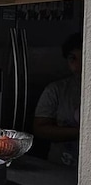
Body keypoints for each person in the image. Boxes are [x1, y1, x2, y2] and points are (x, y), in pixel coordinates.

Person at [33, 33, 82, 165]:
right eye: (73, 59)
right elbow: (40, 129)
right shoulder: (56, 90)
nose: (79, 65)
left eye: (84, 57)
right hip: (61, 166)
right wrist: (80, 132)